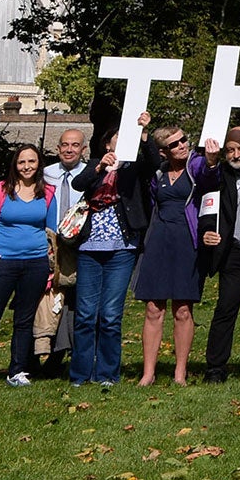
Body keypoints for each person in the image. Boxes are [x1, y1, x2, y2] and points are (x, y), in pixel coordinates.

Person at [69, 130, 154, 386]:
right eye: (117, 135)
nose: (121, 139)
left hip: (122, 248)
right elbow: (78, 183)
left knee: (110, 315)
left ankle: (107, 373)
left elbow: (154, 163)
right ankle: (80, 374)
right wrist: (99, 168)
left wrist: (144, 138)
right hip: (89, 249)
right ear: (107, 144)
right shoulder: (95, 165)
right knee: (85, 314)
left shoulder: (133, 168)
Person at [0, 144, 56, 389]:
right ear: (14, 165)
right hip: (2, 263)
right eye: (21, 162)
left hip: (36, 264)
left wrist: (51, 262)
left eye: (32, 161)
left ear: (39, 164)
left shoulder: (48, 193)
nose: (27, 166)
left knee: (25, 319)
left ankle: (17, 370)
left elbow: (52, 232)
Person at [194, 126, 240, 384]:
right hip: (234, 250)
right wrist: (205, 232)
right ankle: (215, 367)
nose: (236, 155)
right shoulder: (221, 175)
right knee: (226, 307)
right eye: (230, 150)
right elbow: (206, 203)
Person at [131, 121, 203, 386]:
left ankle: (180, 372)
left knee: (183, 309)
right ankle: (148, 373)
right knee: (153, 308)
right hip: (158, 240)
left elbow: (211, 174)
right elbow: (148, 160)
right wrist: (145, 134)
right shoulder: (158, 173)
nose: (182, 145)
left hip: (186, 240)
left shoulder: (195, 168)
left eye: (183, 139)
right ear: (164, 151)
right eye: (174, 144)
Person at [40, 127, 90, 376]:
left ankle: (74, 353)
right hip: (51, 243)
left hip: (80, 244)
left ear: (84, 149)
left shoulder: (90, 174)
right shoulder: (47, 174)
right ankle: (45, 352)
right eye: (65, 145)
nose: (69, 149)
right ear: (58, 148)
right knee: (48, 298)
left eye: (75, 145)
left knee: (77, 301)